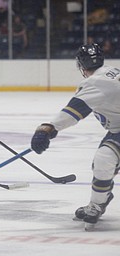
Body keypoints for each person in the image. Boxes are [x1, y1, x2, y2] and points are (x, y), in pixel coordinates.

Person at [31, 43, 119, 230]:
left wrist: (47, 128)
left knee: (104, 160)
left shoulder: (94, 82)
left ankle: (97, 204)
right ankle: (98, 202)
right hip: (117, 132)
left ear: (81, 65)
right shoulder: (111, 71)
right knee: (104, 160)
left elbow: (74, 111)